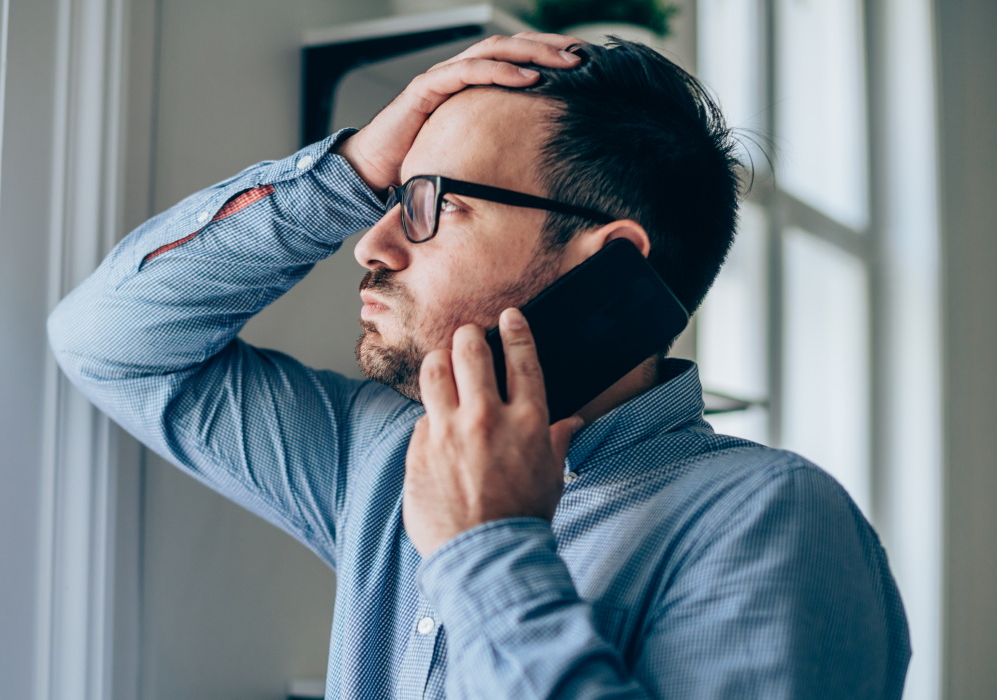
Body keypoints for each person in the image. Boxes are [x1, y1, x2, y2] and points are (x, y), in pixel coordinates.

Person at [48, 33, 909, 699]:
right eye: (388, 197)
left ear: (604, 262)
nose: (370, 243)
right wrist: (345, 173)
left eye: (430, 204)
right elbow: (114, 340)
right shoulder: (382, 458)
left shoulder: (773, 521)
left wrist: (486, 548)